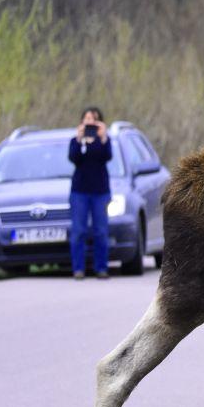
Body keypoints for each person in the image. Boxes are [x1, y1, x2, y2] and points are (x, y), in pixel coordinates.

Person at [68, 107, 112, 280]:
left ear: (100, 122)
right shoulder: (76, 141)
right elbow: (74, 158)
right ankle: (78, 269)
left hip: (100, 191)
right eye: (87, 118)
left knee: (100, 231)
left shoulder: (104, 141)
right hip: (80, 191)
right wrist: (80, 138)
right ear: (81, 121)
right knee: (78, 231)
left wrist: (103, 137)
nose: (90, 121)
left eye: (94, 118)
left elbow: (107, 156)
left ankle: (101, 268)